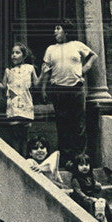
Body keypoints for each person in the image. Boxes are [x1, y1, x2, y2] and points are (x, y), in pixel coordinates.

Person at [38, 20, 97, 168]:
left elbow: (93, 56)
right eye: (55, 29)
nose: (55, 32)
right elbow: (46, 71)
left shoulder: (77, 45)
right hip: (58, 89)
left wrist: (85, 68)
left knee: (79, 124)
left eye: (58, 28)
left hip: (76, 88)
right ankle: (67, 159)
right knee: (63, 124)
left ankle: (80, 158)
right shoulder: (51, 49)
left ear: (66, 30)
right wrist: (44, 89)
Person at [0, 43, 38, 151]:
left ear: (24, 55)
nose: (14, 55)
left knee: (25, 135)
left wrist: (44, 73)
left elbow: (36, 83)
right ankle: (16, 159)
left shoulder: (30, 68)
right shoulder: (8, 71)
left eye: (17, 53)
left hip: (26, 104)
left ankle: (23, 161)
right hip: (13, 105)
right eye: (12, 53)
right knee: (15, 135)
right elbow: (3, 86)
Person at [69, 153, 112, 222]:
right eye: (81, 165)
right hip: (81, 199)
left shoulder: (90, 178)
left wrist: (97, 186)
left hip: (91, 196)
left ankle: (105, 219)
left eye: (86, 164)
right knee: (90, 203)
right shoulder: (75, 179)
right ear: (76, 167)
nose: (84, 167)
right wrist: (88, 198)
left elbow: (96, 189)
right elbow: (78, 192)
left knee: (102, 201)